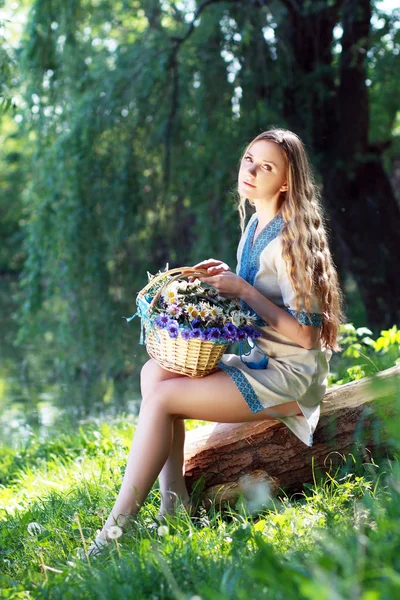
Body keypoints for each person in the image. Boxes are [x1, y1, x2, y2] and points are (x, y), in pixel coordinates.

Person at [87, 127, 345, 556]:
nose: (251, 171)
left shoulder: (289, 241)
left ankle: (114, 531)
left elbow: (306, 334)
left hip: (292, 378)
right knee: (154, 372)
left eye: (267, 167)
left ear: (285, 182)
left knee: (162, 399)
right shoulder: (257, 223)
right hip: (266, 362)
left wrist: (243, 291)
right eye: (249, 158)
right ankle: (174, 505)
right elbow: (264, 294)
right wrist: (232, 276)